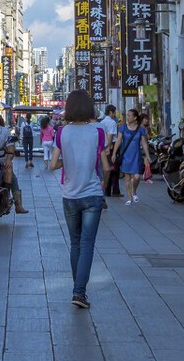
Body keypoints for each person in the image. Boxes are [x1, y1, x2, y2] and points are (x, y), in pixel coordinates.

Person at [49, 89, 109, 309]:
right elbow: (105, 167)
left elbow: (53, 165)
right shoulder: (98, 132)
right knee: (87, 244)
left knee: (75, 243)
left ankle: (78, 290)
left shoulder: (61, 132)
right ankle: (79, 292)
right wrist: (103, 186)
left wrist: (67, 162)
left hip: (69, 196)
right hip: (92, 194)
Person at [114, 111, 151, 205]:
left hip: (136, 155)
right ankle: (130, 198)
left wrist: (147, 155)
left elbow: (144, 143)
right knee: (127, 178)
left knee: (137, 177)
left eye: (129, 116)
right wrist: (114, 153)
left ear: (135, 118)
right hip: (126, 155)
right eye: (127, 115)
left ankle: (134, 191)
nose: (127, 117)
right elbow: (118, 141)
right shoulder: (123, 128)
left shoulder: (141, 129)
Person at [103, 109, 128, 199]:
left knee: (109, 168)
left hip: (104, 147)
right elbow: (110, 135)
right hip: (111, 146)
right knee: (115, 169)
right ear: (110, 112)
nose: (115, 114)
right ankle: (115, 191)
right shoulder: (112, 122)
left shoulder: (102, 122)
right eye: (114, 112)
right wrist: (109, 146)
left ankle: (107, 190)